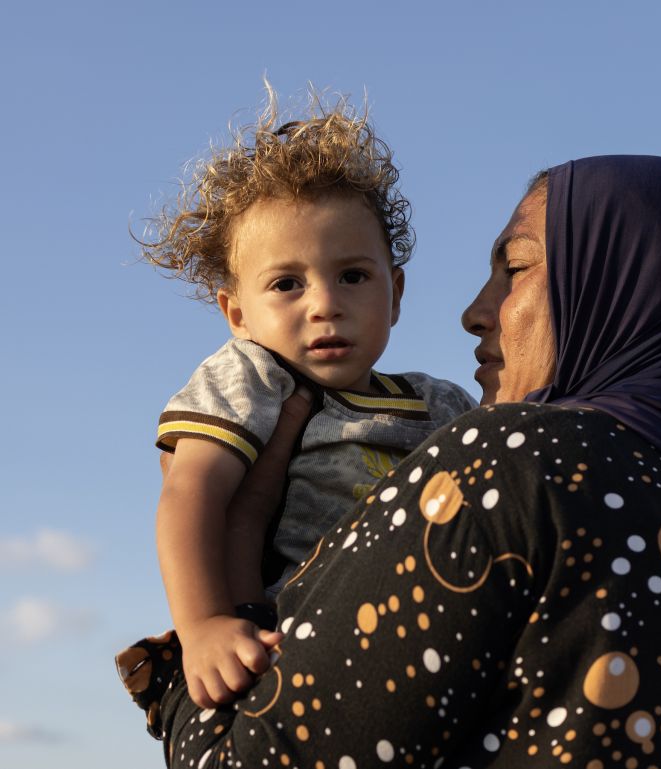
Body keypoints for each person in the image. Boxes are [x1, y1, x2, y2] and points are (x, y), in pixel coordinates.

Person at [118, 155, 661, 769]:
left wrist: (239, 550)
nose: (475, 309)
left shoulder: (520, 460)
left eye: (517, 269)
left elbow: (244, 758)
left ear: (619, 286)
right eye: (287, 281)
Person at [137, 92, 475, 709]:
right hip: (303, 635)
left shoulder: (441, 404)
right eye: (286, 284)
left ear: (395, 294)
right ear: (236, 313)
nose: (324, 303)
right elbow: (189, 496)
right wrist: (204, 626)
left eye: (353, 276)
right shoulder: (254, 377)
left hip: (436, 628)